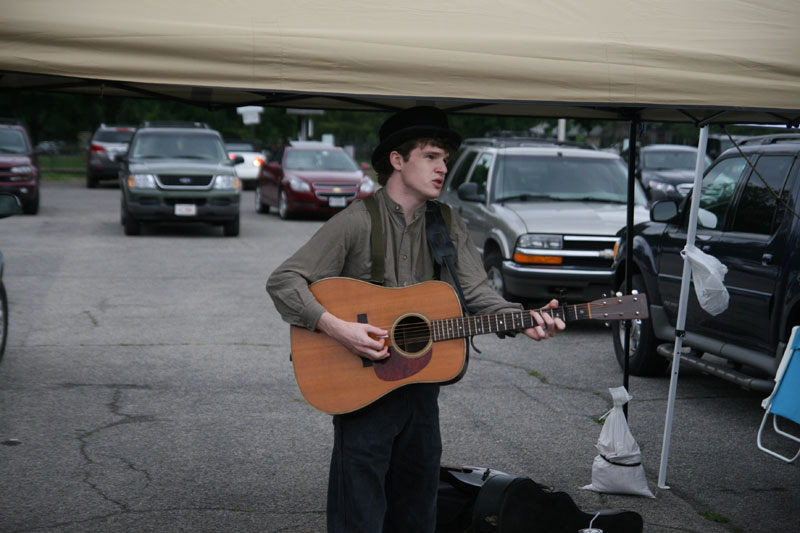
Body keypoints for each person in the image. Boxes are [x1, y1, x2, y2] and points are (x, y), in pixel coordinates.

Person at [266, 106, 565, 533]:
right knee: (359, 514)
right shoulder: (356, 221)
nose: (443, 167)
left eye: (445, 159)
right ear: (397, 160)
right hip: (361, 389)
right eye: (431, 156)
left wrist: (523, 318)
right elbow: (284, 280)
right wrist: (336, 326)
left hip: (421, 390)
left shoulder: (446, 223)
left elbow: (478, 295)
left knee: (417, 508)